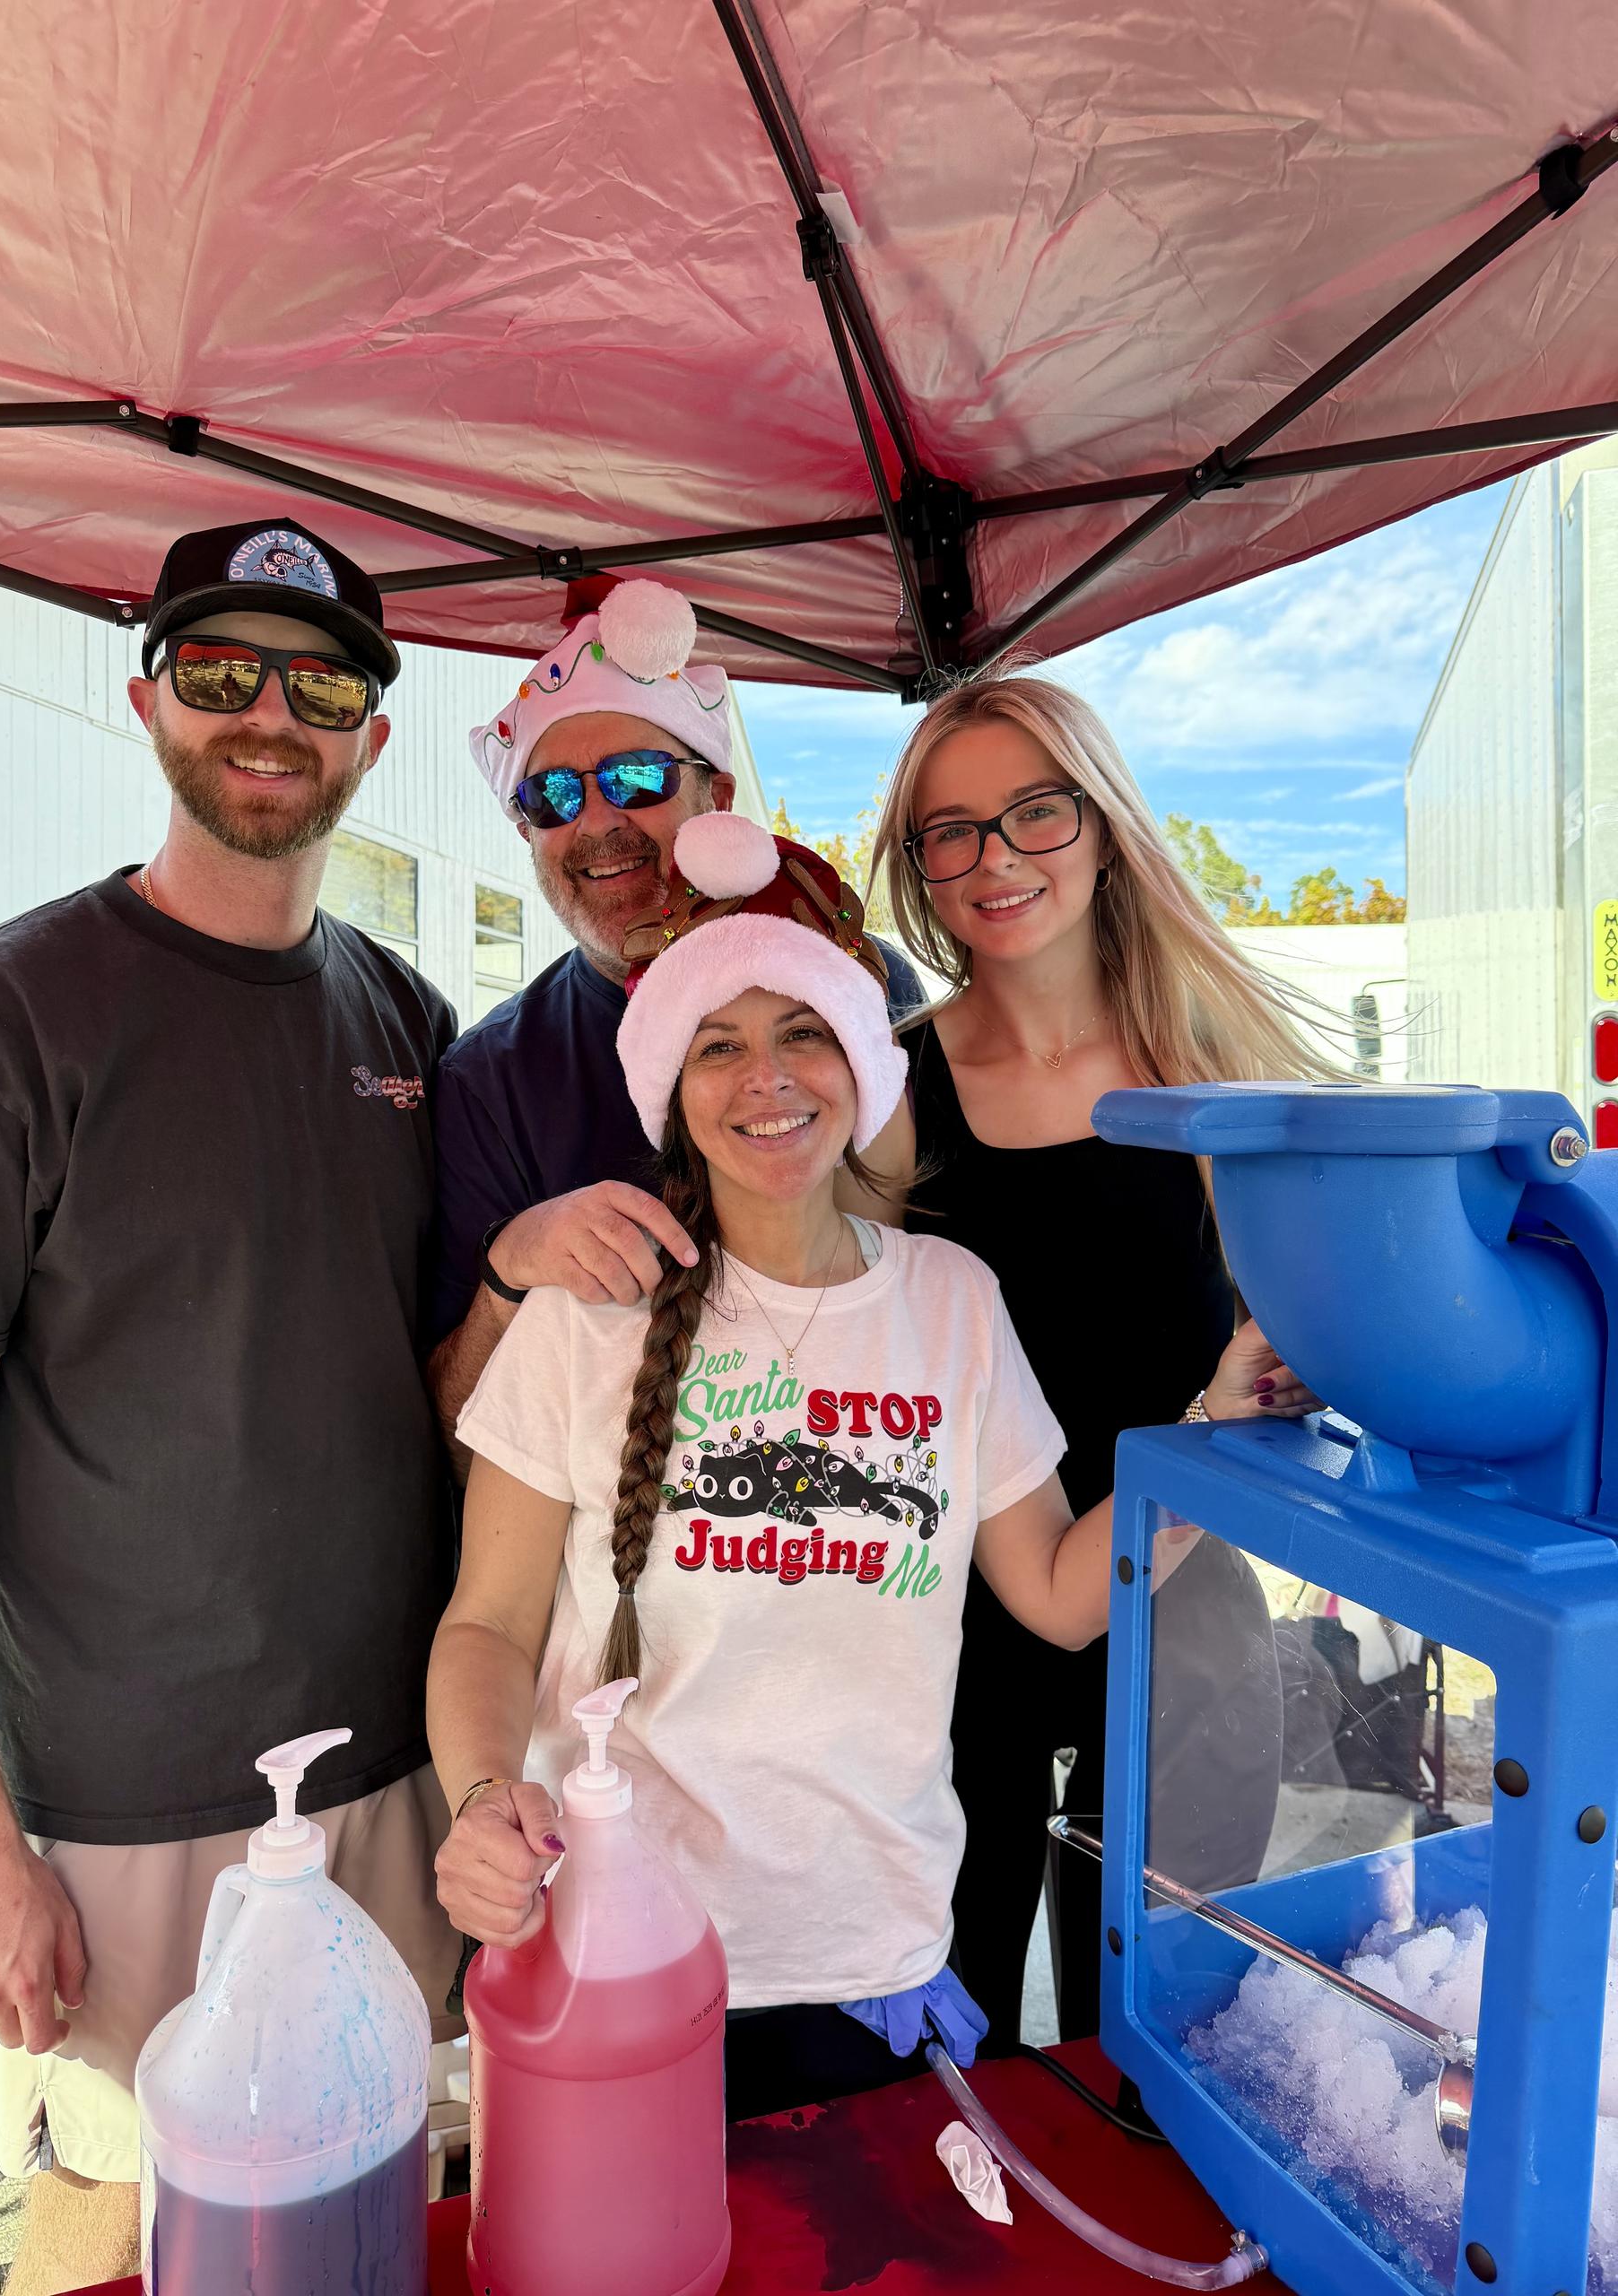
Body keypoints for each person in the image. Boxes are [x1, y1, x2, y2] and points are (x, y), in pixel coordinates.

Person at [426, 810, 1308, 2120]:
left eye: (804, 1033)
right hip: (613, 1949)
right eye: (718, 1045)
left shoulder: (950, 1299)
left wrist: (1211, 1430)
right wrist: (485, 1803)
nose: (766, 1078)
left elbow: (1061, 1596)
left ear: (862, 1062)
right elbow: (488, 1626)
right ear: (671, 1088)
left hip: (867, 1963)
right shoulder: (588, 1310)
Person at [0, 519, 463, 2294]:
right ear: (147, 702)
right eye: (221, 671)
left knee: (373, 2218)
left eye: (320, 685)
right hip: (113, 1805)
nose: (268, 714)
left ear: (374, 736)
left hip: (391, 1780)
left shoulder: (413, 1023)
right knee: (118, 2230)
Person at [866, 674, 1337, 2052]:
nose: (995, 858)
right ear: (917, 863)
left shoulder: (1214, 1070)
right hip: (947, 1640)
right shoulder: (889, 1092)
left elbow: (1323, 1323)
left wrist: (1300, 1366)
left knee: (1160, 2050)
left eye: (1035, 812)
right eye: (951, 830)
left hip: (1183, 1620)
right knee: (940, 2055)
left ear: (1103, 821)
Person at [426, 576, 920, 1464]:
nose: (598, 821)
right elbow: (458, 1443)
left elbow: (936, 1282)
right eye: (552, 797)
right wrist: (510, 1273)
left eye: (637, 777)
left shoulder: (859, 987)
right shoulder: (489, 1078)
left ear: (717, 796)